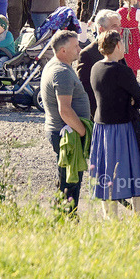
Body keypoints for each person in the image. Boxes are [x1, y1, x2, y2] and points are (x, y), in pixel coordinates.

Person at [89, 30, 140, 216]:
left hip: (102, 129)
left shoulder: (96, 67)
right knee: (139, 174)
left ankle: (111, 220)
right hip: (124, 129)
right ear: (118, 45)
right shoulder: (122, 71)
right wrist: (131, 100)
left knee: (107, 177)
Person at [42, 30, 90, 211]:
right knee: (71, 180)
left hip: (64, 131)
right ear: (63, 50)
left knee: (66, 177)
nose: (79, 49)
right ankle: (67, 217)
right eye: (75, 46)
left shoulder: (56, 65)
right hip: (67, 133)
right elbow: (65, 110)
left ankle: (64, 215)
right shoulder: (61, 72)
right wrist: (84, 132)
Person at [75, 10, 121, 116]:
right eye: (114, 26)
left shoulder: (118, 47)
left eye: (120, 26)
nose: (119, 30)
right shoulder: (87, 54)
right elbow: (85, 89)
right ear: (101, 29)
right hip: (101, 113)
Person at [117, 0, 140, 75]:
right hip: (133, 38)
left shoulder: (118, 11)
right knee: (133, 57)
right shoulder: (137, 11)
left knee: (123, 56)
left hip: (122, 37)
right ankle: (133, 77)